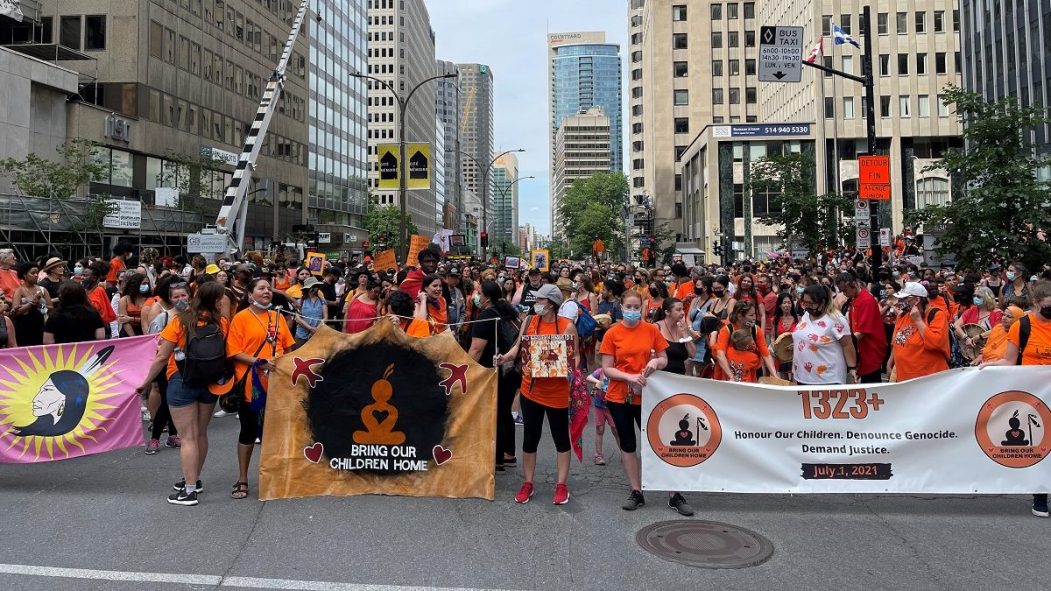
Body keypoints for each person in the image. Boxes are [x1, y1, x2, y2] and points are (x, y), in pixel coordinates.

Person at [599, 290, 692, 516]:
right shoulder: (612, 333)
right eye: (628, 306)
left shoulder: (651, 330)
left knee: (660, 441)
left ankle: (674, 493)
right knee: (628, 443)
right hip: (620, 396)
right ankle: (636, 491)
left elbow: (664, 357)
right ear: (621, 307)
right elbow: (607, 367)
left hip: (649, 395)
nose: (632, 311)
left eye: (636, 307)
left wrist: (655, 364)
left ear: (642, 307)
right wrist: (628, 376)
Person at [135, 282, 228, 506]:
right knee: (200, 433)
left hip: (181, 380)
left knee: (187, 436)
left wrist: (145, 383)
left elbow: (161, 357)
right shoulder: (222, 323)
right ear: (215, 301)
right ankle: (194, 479)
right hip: (210, 383)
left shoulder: (180, 321)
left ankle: (188, 491)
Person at [495, 283, 577, 505]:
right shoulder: (529, 321)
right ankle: (528, 483)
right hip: (531, 390)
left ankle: (561, 485)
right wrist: (504, 358)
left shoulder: (567, 326)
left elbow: (575, 358)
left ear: (550, 303)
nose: (535, 304)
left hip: (557, 391)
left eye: (539, 300)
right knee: (530, 438)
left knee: (561, 438)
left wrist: (563, 365)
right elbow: (517, 347)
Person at [982, 281, 1051, 517]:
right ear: (1035, 304)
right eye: (1047, 307)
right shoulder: (1022, 326)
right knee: (1040, 445)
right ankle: (1040, 496)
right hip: (1034, 397)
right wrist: (989, 365)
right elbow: (1009, 360)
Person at [226, 278, 296, 500]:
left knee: (275, 433)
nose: (266, 292)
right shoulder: (241, 318)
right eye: (261, 288)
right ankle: (243, 478)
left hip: (277, 384)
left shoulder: (277, 317)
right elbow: (234, 352)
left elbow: (289, 347)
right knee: (248, 432)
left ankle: (274, 477)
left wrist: (282, 361)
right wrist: (258, 361)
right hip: (250, 386)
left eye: (268, 288)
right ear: (250, 294)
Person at [467, 280, 521, 472]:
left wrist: (467, 371)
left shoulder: (486, 316)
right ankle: (508, 453)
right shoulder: (507, 312)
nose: (476, 296)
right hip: (512, 370)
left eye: (479, 293)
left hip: (494, 370)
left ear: (487, 297)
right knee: (504, 410)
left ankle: (496, 458)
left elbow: (476, 349)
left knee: (494, 412)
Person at [141, 276, 188, 454]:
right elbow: (154, 344)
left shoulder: (193, 316)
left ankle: (173, 434)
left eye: (183, 295)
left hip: (185, 367)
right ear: (170, 299)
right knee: (167, 402)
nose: (180, 299)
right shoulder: (164, 317)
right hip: (165, 366)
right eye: (176, 297)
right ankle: (154, 439)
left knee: (176, 402)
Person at [792, 285, 858, 385]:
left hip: (827, 379)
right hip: (803, 376)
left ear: (822, 302)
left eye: (811, 303)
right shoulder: (806, 315)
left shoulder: (836, 319)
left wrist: (852, 368)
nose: (807, 306)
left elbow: (847, 344)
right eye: (805, 302)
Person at [886, 282, 949, 382]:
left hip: (928, 380)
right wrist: (890, 363)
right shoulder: (902, 315)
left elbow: (936, 343)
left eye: (904, 299)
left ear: (917, 300)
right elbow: (896, 341)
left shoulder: (936, 314)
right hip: (904, 378)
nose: (899, 302)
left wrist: (918, 321)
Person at [836, 272, 887, 384]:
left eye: (845, 290)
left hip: (869, 350)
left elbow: (862, 331)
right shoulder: (855, 298)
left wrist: (844, 344)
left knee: (870, 385)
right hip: (862, 349)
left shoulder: (866, 300)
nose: (844, 294)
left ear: (854, 284)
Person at [712, 302, 779, 382]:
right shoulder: (727, 330)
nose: (754, 318)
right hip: (727, 377)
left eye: (754, 314)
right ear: (740, 316)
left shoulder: (756, 330)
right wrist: (731, 377)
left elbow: (766, 355)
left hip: (749, 378)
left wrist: (775, 377)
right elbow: (720, 355)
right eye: (751, 315)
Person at [11, 261, 53, 347]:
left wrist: (39, 305)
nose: (36, 275)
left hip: (40, 326)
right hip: (23, 328)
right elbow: (16, 312)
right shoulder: (19, 291)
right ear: (24, 275)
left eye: (37, 273)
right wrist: (32, 303)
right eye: (33, 273)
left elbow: (51, 307)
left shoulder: (42, 289)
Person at [655, 298, 697, 376]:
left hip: (679, 377)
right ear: (667, 312)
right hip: (660, 377)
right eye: (678, 310)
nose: (682, 313)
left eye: (683, 309)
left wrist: (685, 334)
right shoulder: (656, 328)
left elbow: (692, 354)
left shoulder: (683, 328)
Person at [585, 367, 618, 465]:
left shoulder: (617, 371)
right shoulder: (601, 371)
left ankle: (625, 453)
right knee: (600, 429)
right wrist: (597, 382)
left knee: (616, 430)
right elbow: (588, 377)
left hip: (613, 405)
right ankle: (598, 455)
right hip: (600, 405)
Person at [293, 277, 328, 346]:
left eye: (316, 286)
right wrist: (310, 328)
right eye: (312, 287)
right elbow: (298, 318)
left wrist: (315, 330)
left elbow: (325, 317)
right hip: (301, 335)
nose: (315, 289)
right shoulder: (300, 301)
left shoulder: (322, 301)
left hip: (317, 334)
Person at [117, 273, 150, 338]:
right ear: (136, 284)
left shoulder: (150, 299)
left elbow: (150, 320)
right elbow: (124, 321)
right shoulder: (124, 300)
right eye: (143, 283)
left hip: (146, 331)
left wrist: (131, 319)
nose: (146, 286)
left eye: (147, 283)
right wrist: (133, 337)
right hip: (128, 333)